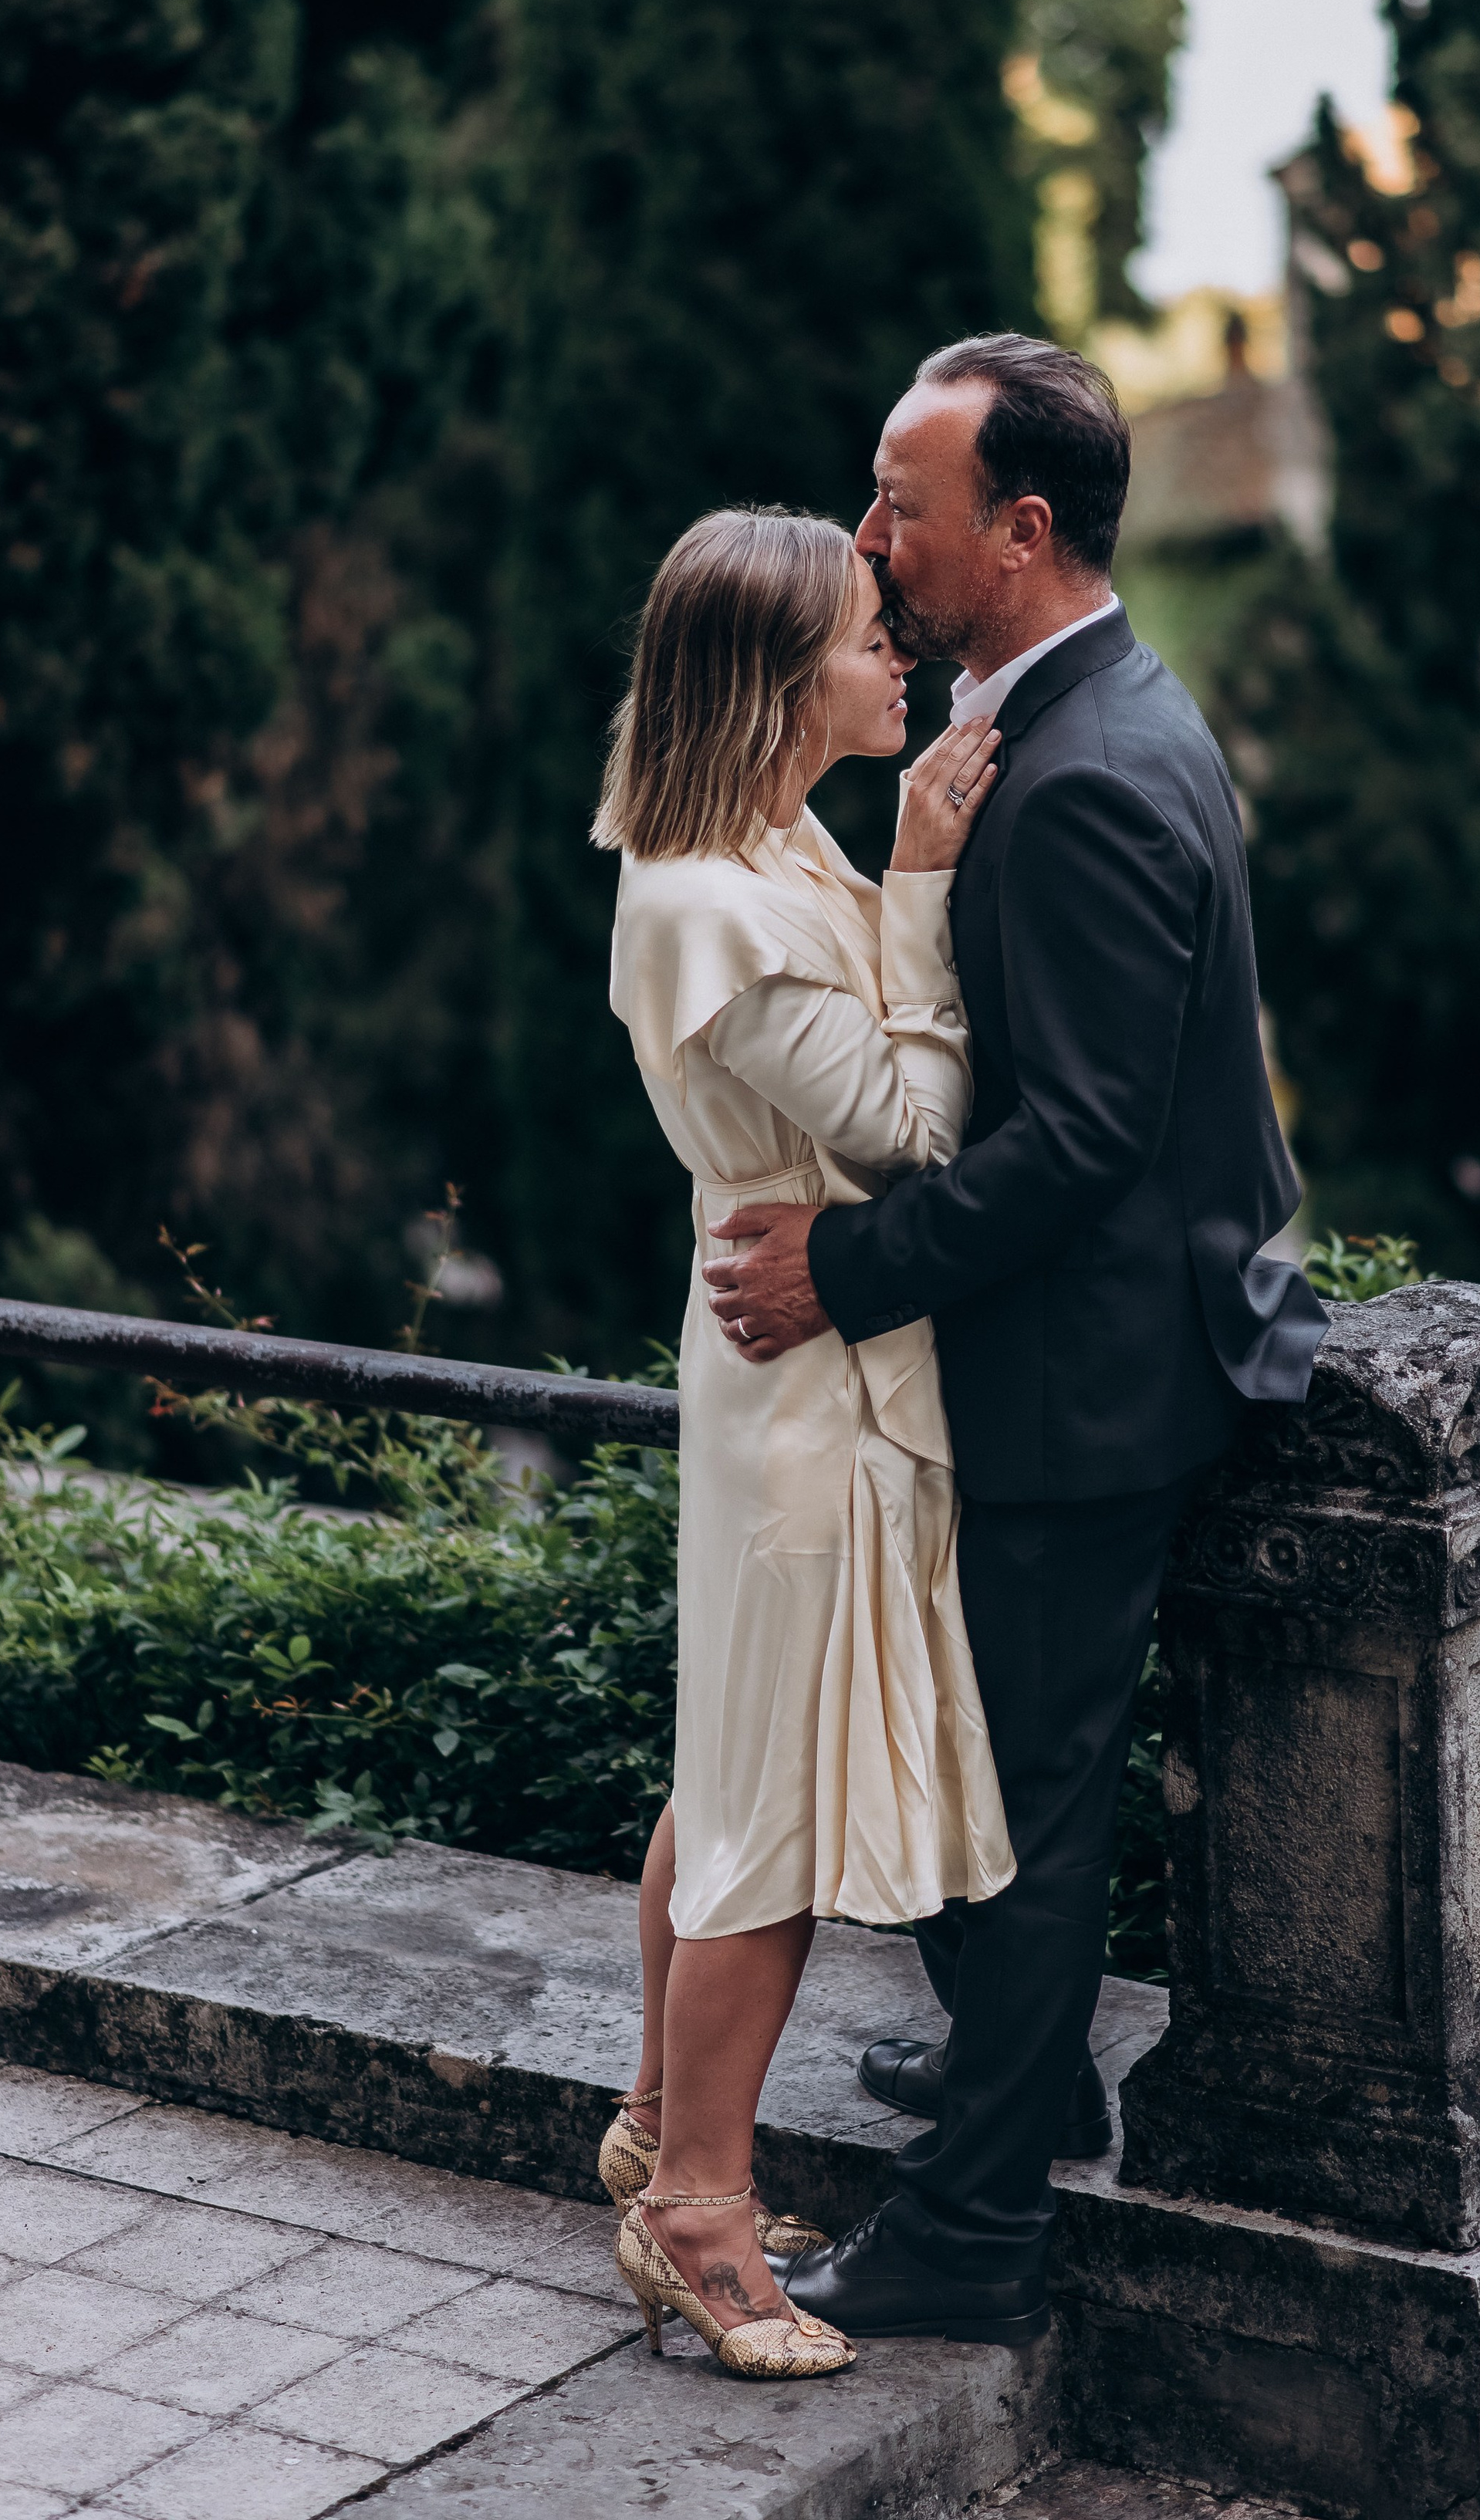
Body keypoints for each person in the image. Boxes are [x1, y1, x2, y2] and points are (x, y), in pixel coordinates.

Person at [700, 336, 1329, 2347]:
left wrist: (841, 1271)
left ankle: (974, 2230)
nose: (870, 534)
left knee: (1019, 1802)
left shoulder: (1088, 776)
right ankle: (1022, 2075)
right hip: (1077, 1344)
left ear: (1023, 530)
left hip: (1095, 1379)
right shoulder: (1041, 724)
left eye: (904, 501)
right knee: (985, 1782)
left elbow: (1076, 1144)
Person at [595, 504, 1016, 2382]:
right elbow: (912, 1131)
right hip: (808, 1398)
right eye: (865, 637)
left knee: (728, 1762)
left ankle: (643, 2115)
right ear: (778, 685)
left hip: (795, 1363)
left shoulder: (759, 837)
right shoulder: (718, 900)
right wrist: (923, 873)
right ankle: (696, 2201)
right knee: (761, 1819)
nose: (897, 653)